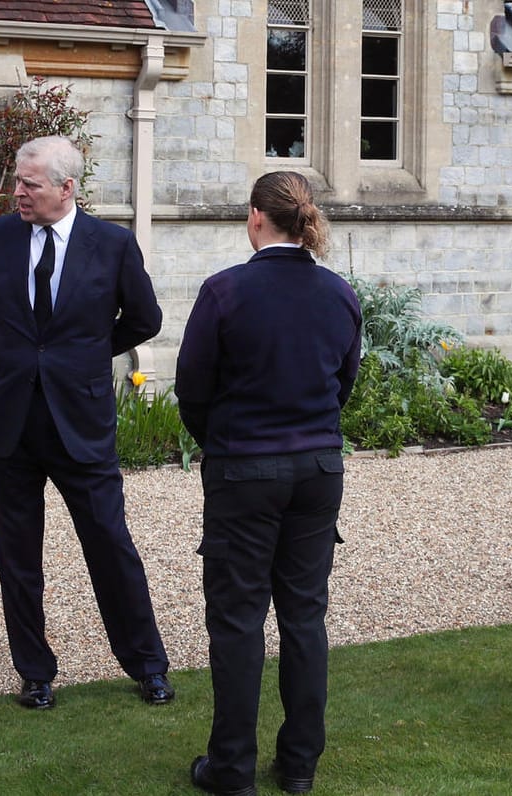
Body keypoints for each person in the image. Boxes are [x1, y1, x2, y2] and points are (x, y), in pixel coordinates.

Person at [0, 135, 171, 712]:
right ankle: (35, 673)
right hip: (8, 422)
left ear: (66, 188)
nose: (17, 192)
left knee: (109, 543)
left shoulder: (112, 244)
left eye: (30, 184)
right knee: (17, 554)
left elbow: (144, 318)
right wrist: (18, 357)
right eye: (17, 181)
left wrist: (83, 355)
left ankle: (148, 664)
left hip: (80, 421)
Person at [176, 171, 362, 796]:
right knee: (305, 616)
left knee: (237, 619)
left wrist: (223, 444)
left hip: (244, 470)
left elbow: (193, 390)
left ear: (257, 217)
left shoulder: (225, 291)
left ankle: (231, 770)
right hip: (316, 470)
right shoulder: (338, 294)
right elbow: (343, 384)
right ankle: (300, 764)